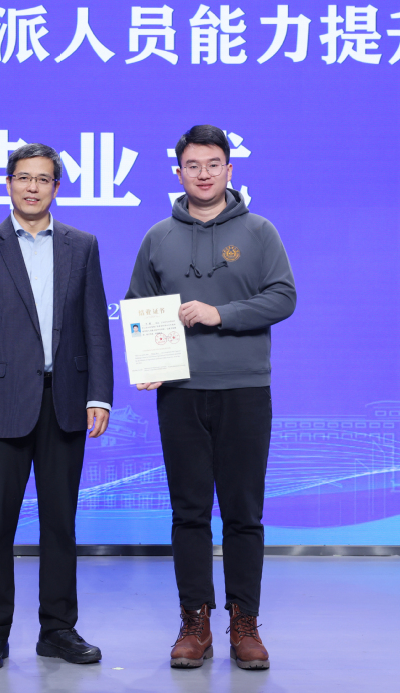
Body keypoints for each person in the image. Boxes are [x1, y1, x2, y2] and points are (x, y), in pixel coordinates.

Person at [126, 125, 296, 670]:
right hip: (180, 393)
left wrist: (219, 314)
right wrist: (147, 362)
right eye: (193, 165)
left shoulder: (259, 231)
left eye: (213, 164)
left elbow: (283, 297)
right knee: (189, 513)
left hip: (245, 389)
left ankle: (245, 624)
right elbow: (138, 306)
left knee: (244, 514)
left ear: (229, 170)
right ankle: (194, 623)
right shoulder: (158, 237)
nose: (203, 174)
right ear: (178, 173)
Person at [0, 143, 114, 669]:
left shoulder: (81, 246)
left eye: (43, 179)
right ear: (8, 184)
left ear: (56, 187)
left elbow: (95, 326)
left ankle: (57, 629)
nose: (32, 187)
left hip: (65, 401)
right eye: (23, 177)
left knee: (60, 523)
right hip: (0, 407)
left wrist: (99, 393)